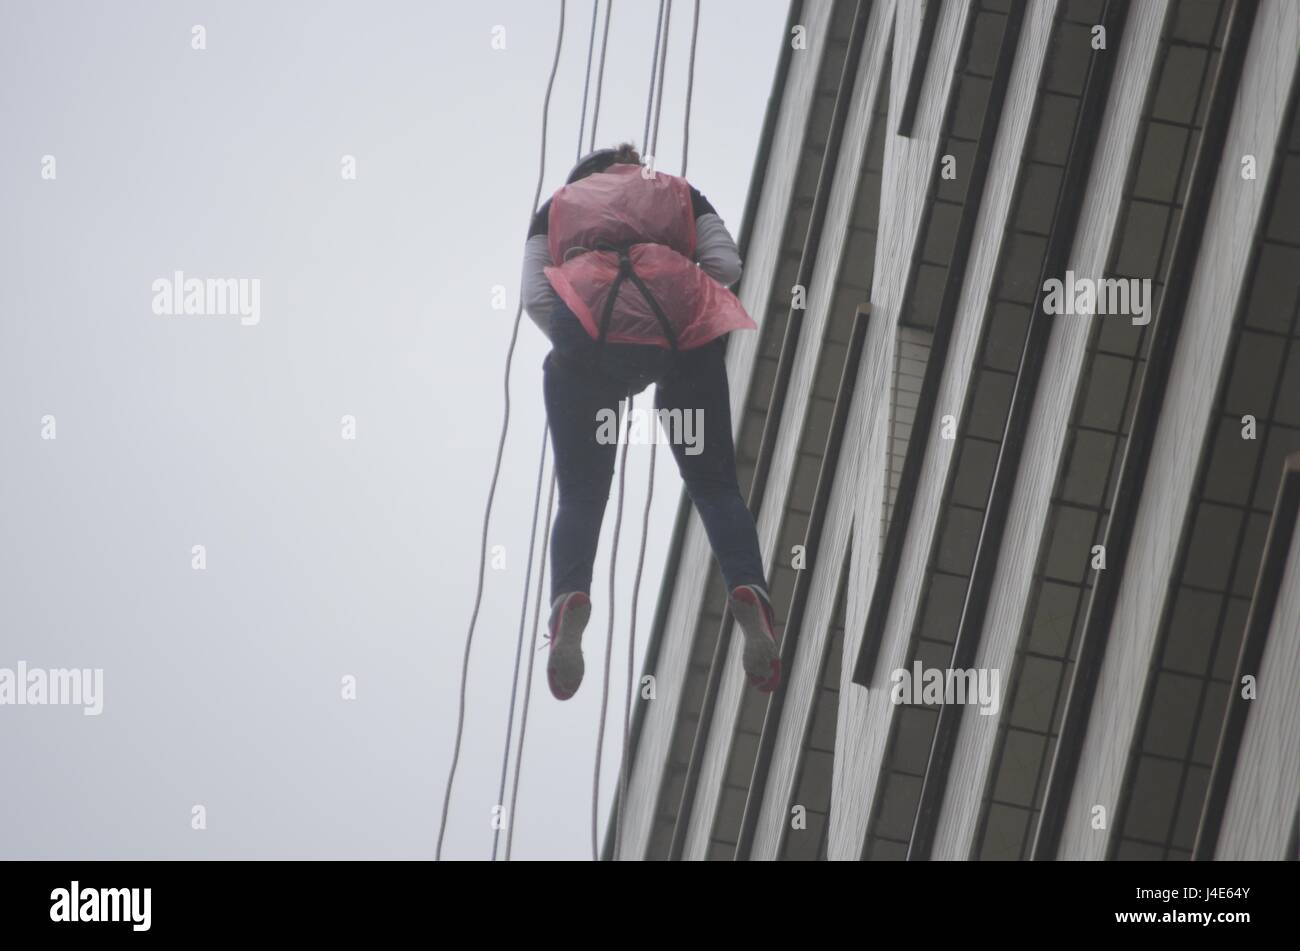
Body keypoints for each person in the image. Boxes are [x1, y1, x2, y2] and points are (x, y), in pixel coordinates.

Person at [521, 143, 779, 701]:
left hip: (588, 341)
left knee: (581, 498)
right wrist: (674, 310)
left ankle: (569, 600)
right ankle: (747, 586)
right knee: (714, 485)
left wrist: (586, 349)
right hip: (678, 328)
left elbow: (534, 297)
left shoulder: (557, 207)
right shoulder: (678, 191)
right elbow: (727, 267)